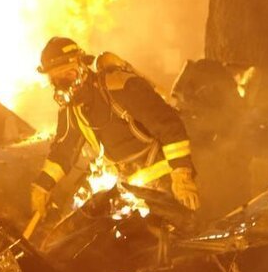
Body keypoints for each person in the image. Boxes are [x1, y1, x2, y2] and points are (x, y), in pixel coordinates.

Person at [29, 36, 200, 226]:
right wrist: (42, 186)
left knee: (170, 243)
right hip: (126, 188)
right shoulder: (71, 111)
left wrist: (182, 176)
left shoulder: (122, 87)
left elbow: (170, 126)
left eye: (67, 75)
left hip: (165, 183)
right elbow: (63, 151)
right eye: (55, 79)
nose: (62, 84)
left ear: (82, 67)